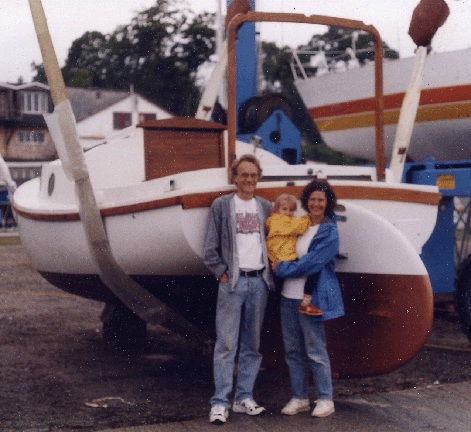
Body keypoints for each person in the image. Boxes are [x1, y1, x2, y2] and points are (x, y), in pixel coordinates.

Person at [203, 154, 275, 425]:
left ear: (259, 177)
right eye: (244, 174)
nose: (249, 179)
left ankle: (244, 397)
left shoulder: (265, 207)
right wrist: (222, 274)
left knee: (252, 345)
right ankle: (220, 402)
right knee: (225, 344)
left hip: (259, 282)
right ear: (234, 178)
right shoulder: (221, 206)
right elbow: (209, 248)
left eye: (253, 175)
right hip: (232, 283)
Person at [274, 179, 344, 418]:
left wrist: (281, 269)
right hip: (288, 297)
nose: (316, 204)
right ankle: (300, 398)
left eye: (321, 200)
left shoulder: (330, 231)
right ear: (306, 201)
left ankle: (325, 399)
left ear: (327, 203)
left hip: (310, 298)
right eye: (312, 199)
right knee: (292, 350)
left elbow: (311, 263)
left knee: (315, 349)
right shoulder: (300, 225)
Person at [266, 194, 323, 316]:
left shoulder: (287, 220)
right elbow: (299, 227)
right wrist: (308, 217)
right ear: (276, 210)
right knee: (312, 268)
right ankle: (305, 303)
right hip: (282, 261)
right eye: (284, 209)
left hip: (286, 259)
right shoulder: (276, 221)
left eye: (291, 210)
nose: (288, 213)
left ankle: (304, 303)